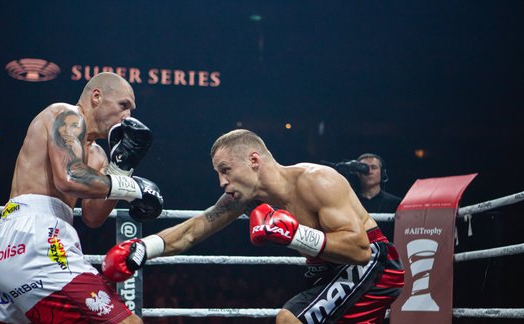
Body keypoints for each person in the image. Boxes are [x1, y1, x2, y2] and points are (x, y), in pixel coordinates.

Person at [103, 129, 405, 323]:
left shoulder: (317, 181)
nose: (222, 182)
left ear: (254, 160)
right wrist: (145, 248)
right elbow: (194, 230)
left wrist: (296, 235)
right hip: (330, 268)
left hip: (373, 265)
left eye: (226, 170)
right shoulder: (243, 200)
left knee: (291, 320)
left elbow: (361, 249)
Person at [0, 72, 163, 324]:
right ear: (96, 97)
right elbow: (68, 176)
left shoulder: (98, 155)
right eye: (123, 105)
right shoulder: (66, 114)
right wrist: (132, 188)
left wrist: (122, 167)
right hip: (38, 240)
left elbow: (93, 217)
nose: (128, 117)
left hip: (6, 248)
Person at [355, 153, 403, 241]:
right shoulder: (350, 202)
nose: (369, 171)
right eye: (364, 168)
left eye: (373, 167)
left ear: (382, 173)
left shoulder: (396, 203)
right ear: (358, 173)